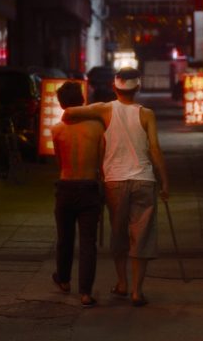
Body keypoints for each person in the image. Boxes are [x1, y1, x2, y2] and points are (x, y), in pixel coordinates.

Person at [63, 67, 169, 307]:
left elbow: (69, 113)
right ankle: (137, 292)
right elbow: (154, 148)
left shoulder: (105, 109)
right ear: (138, 88)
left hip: (115, 182)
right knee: (141, 236)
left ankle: (122, 283)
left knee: (119, 234)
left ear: (114, 87)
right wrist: (165, 181)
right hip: (144, 181)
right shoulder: (147, 114)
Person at [50, 81, 105, 308]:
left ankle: (63, 279)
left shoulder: (57, 130)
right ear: (82, 100)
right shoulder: (97, 128)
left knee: (65, 238)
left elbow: (59, 161)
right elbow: (102, 160)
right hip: (89, 186)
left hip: (65, 186)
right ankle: (85, 293)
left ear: (61, 104)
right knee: (88, 242)